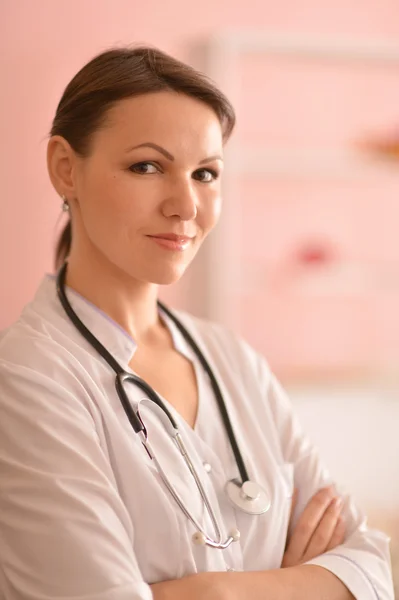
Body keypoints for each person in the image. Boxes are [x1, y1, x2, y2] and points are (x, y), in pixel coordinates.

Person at [0, 46, 393, 600]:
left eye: (206, 173)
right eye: (147, 166)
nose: (186, 205)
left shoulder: (232, 359)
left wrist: (208, 591)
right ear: (66, 168)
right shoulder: (27, 381)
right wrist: (286, 582)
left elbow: (373, 570)